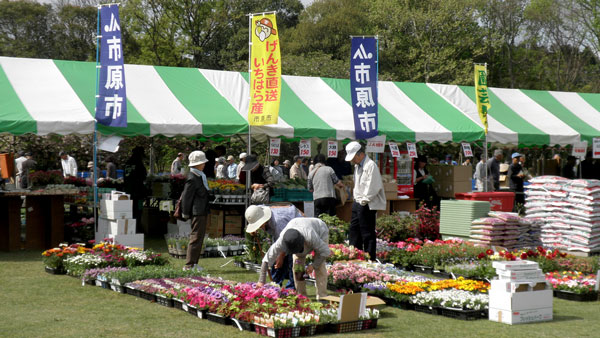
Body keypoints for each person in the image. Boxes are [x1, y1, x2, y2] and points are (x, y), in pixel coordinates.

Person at [256, 216, 330, 300]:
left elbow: (325, 252)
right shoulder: (283, 238)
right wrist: (261, 280)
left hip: (320, 230)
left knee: (320, 267)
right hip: (299, 227)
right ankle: (302, 296)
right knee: (297, 267)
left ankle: (322, 296)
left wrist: (314, 265)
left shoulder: (310, 236)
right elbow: (267, 258)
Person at [245, 204, 303, 289]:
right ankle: (274, 286)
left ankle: (291, 290)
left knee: (292, 262)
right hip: (283, 233)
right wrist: (255, 228)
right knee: (277, 261)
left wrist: (281, 256)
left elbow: (285, 241)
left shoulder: (278, 221)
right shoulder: (259, 210)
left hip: (297, 232)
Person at [345, 141, 386, 261]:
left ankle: (369, 258)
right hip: (358, 202)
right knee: (354, 231)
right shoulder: (358, 166)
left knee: (367, 232)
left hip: (367, 203)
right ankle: (355, 256)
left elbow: (373, 186)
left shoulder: (371, 165)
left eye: (353, 157)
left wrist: (364, 200)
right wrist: (357, 200)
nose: (352, 161)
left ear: (360, 154)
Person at [181, 151, 211, 270]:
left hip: (201, 210)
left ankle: (194, 263)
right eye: (202, 162)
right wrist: (185, 213)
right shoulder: (192, 178)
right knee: (196, 237)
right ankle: (189, 265)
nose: (204, 164)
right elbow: (186, 197)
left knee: (199, 237)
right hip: (197, 211)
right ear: (197, 164)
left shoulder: (199, 175)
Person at [123, 147, 147, 223]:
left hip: (127, 189)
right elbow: (143, 175)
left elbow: (125, 175)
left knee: (129, 208)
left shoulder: (127, 162)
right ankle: (137, 224)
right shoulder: (139, 163)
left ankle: (130, 223)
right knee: (137, 209)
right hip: (137, 190)